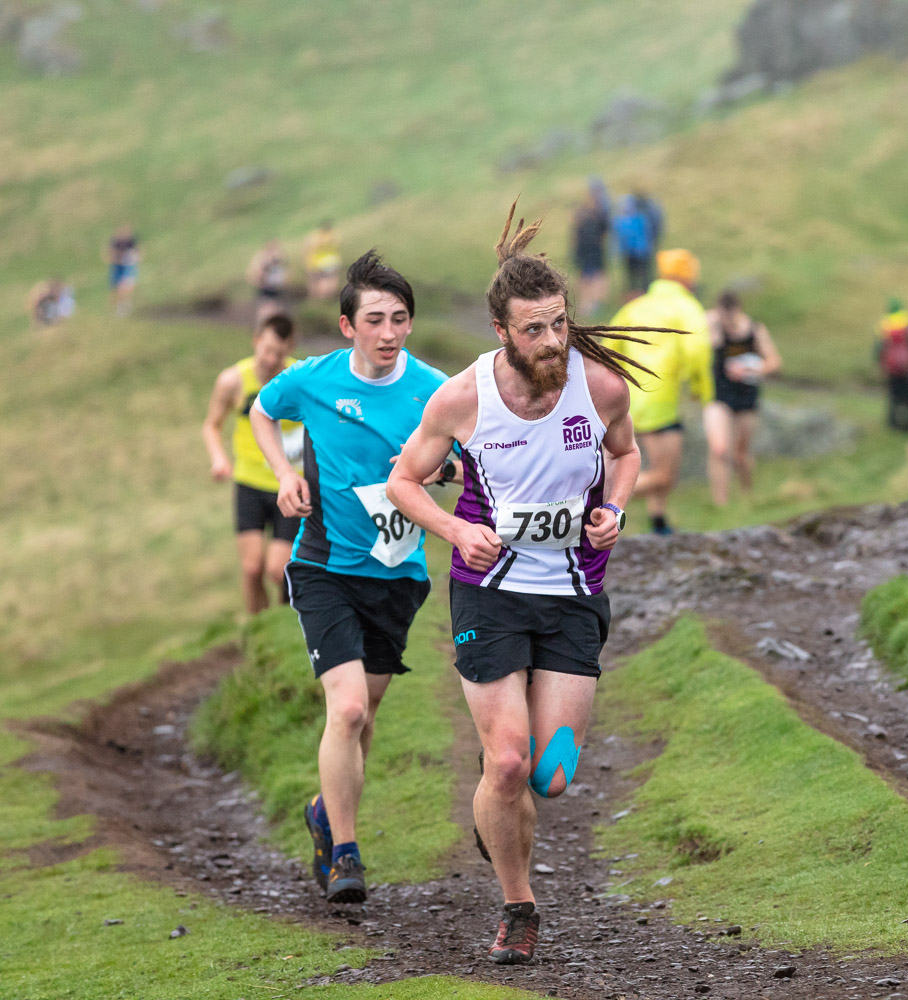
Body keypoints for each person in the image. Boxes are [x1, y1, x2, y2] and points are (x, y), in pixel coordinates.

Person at [388, 205, 668, 966]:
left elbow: (628, 456)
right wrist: (454, 531)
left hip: (575, 591)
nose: (551, 341)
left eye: (559, 323)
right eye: (535, 329)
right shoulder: (460, 398)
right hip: (490, 587)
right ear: (501, 330)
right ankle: (519, 905)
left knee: (552, 774)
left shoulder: (601, 385)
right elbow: (404, 481)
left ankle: (498, 805)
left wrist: (613, 506)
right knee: (508, 762)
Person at [249, 250, 452, 905]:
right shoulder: (311, 381)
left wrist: (435, 473)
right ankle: (345, 854)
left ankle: (320, 811)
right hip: (323, 566)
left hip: (398, 573)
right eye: (375, 320)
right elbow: (260, 410)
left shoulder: (435, 391)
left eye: (399, 319)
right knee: (350, 709)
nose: (389, 333)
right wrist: (284, 474)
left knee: (362, 726)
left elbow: (469, 463)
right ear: (347, 326)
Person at [201, 313, 303, 614]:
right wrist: (219, 458)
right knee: (250, 568)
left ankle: (289, 618)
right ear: (256, 341)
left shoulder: (298, 378)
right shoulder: (232, 380)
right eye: (267, 350)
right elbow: (211, 425)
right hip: (248, 482)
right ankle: (258, 627)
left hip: (290, 484)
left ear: (290, 348)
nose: (272, 359)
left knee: (278, 569)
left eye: (279, 353)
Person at [607, 248, 713, 534]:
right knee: (664, 476)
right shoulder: (688, 308)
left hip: (625, 399)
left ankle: (658, 521)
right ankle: (601, 505)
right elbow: (698, 350)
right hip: (660, 399)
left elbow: (608, 346)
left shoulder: (636, 306)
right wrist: (700, 390)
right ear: (688, 279)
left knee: (633, 461)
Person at [704, 289, 781, 506]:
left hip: (746, 396)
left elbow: (775, 361)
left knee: (741, 455)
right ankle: (720, 503)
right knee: (719, 449)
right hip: (719, 395)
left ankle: (747, 495)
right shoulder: (711, 325)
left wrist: (753, 369)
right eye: (723, 317)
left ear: (738, 311)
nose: (727, 322)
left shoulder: (754, 330)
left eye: (731, 318)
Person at [875, 298, 908, 437]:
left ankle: (893, 425)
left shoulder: (885, 326)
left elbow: (879, 348)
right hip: (907, 368)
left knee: (893, 397)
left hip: (892, 369)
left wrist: (880, 363)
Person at [571, 180, 611, 319]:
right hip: (586, 251)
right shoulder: (586, 215)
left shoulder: (601, 213)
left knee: (596, 276)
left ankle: (596, 302)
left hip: (594, 251)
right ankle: (587, 304)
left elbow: (605, 230)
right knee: (586, 277)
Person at [612, 194, 655, 294]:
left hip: (641, 252)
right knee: (631, 277)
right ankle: (633, 294)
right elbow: (618, 237)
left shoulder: (640, 219)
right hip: (628, 253)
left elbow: (646, 234)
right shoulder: (620, 221)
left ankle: (645, 292)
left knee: (643, 275)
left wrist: (645, 248)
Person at [105, 225, 140, 316]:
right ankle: (119, 306)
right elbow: (109, 253)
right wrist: (116, 259)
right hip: (117, 267)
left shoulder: (131, 242)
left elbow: (138, 252)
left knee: (125, 286)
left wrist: (132, 259)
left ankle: (124, 306)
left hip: (127, 267)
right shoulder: (116, 242)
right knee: (115, 288)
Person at [304, 220, 342, 300]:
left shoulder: (317, 237)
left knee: (322, 281)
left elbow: (310, 248)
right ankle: (330, 296)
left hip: (319, 263)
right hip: (332, 261)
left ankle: (323, 298)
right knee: (331, 279)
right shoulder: (332, 235)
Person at [246, 239, 289, 306]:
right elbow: (256, 272)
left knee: (275, 305)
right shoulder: (261, 257)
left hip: (275, 287)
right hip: (265, 287)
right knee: (267, 306)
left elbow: (283, 269)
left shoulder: (277, 258)